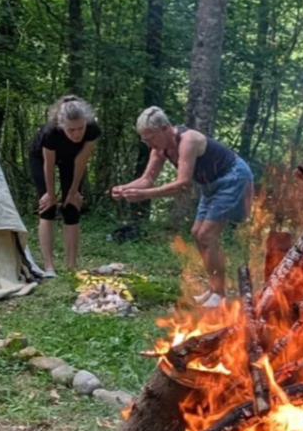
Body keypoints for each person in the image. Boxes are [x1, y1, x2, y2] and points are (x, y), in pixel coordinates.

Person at [111, 106, 253, 307]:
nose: (149, 143)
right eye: (145, 140)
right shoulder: (159, 149)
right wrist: (125, 188)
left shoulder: (188, 140)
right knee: (197, 233)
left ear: (165, 128)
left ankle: (220, 295)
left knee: (207, 235)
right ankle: (214, 288)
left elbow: (183, 184)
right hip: (209, 183)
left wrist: (144, 195)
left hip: (232, 177)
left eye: (151, 137)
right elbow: (146, 179)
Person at [28, 95, 100, 275]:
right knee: (47, 208)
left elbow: (82, 161)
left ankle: (71, 266)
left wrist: (73, 191)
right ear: (62, 126)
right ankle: (49, 265)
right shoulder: (50, 132)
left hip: (72, 159)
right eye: (71, 130)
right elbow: (48, 165)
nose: (77, 134)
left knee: (72, 208)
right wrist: (51, 195)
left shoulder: (92, 130)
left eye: (80, 128)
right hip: (41, 159)